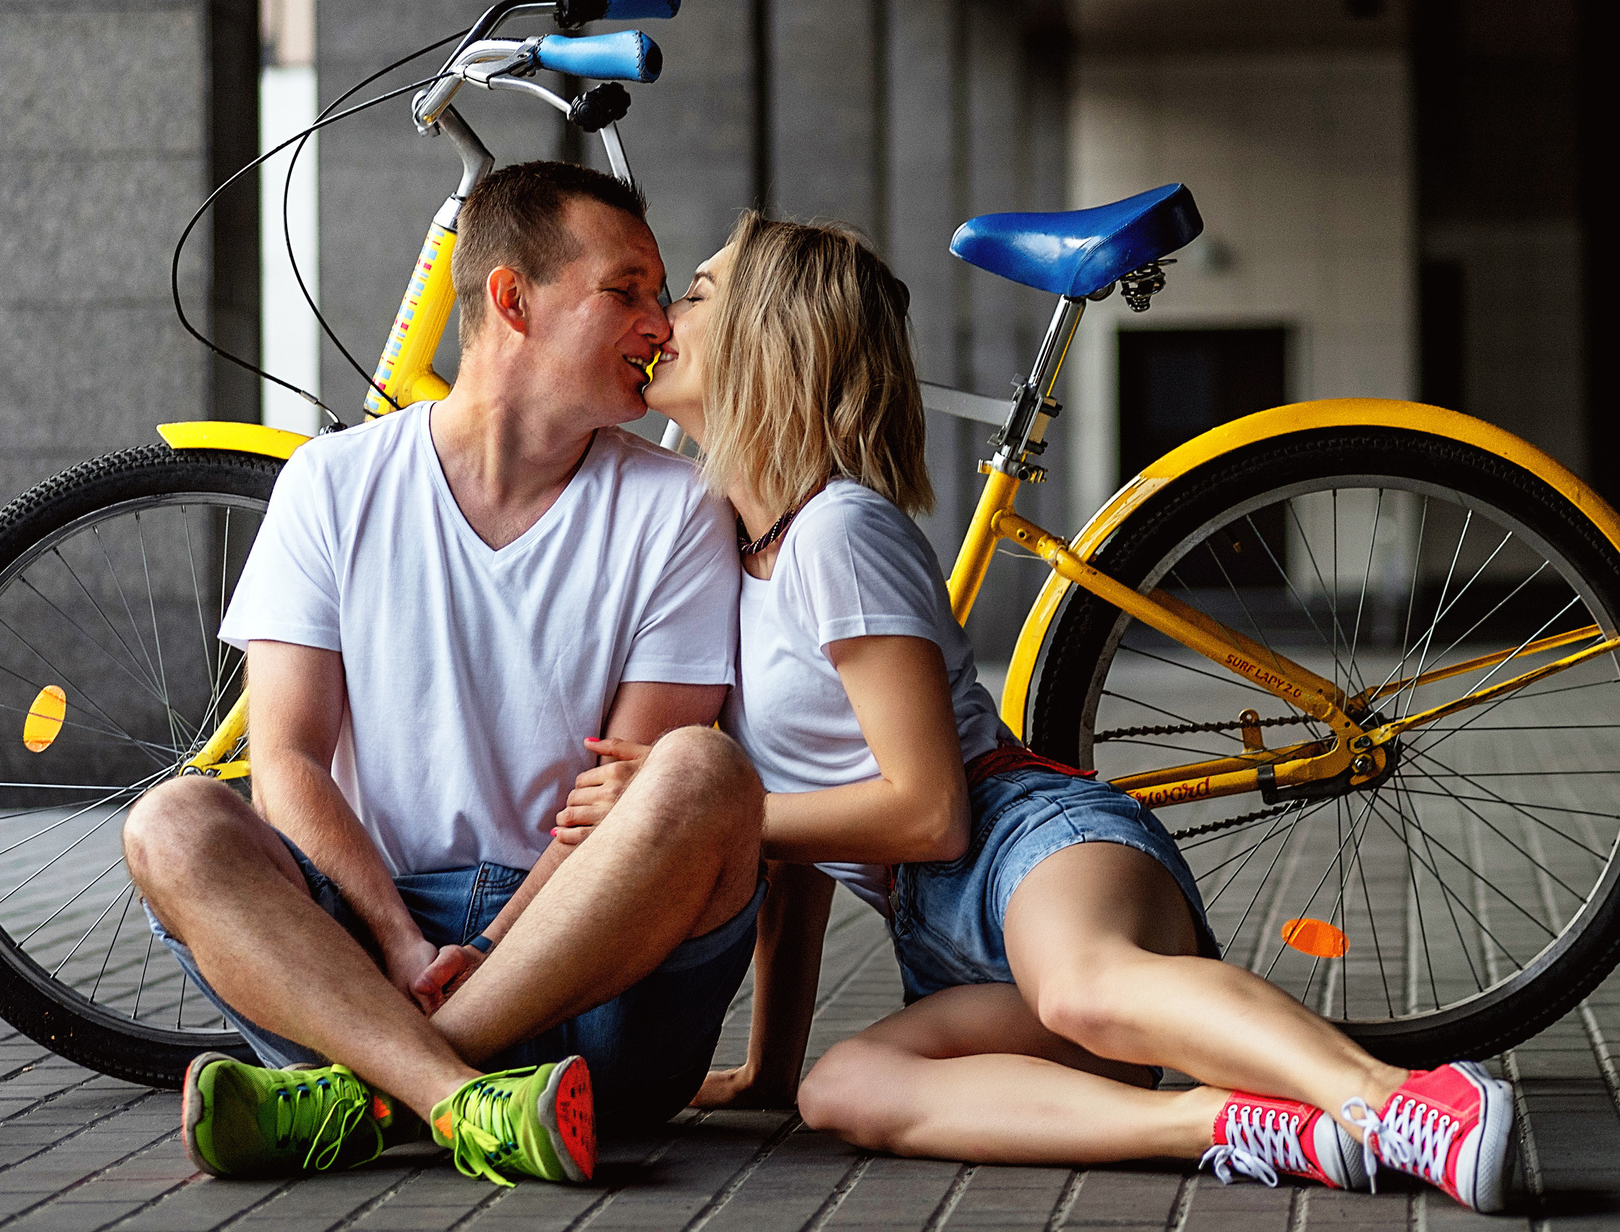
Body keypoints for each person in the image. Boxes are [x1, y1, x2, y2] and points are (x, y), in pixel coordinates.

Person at [569, 210, 1514, 1212]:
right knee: (839, 1088)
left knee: (1081, 985)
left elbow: (929, 809)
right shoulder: (735, 552)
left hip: (1030, 843)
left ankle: (1404, 1100)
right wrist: (768, 1067)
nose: (668, 311)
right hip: (941, 932)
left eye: (698, 291)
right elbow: (794, 858)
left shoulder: (836, 528)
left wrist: (715, 813)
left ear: (772, 336)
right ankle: (1232, 1122)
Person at [122, 162, 765, 1188]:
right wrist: (394, 936)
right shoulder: (332, 483)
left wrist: (496, 948)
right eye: (626, 289)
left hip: (588, 970)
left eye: (661, 294)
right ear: (512, 298)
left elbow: (633, 783)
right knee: (173, 819)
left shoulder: (677, 507)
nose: (661, 323)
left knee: (697, 770)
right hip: (368, 956)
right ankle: (461, 1101)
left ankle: (372, 1094)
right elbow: (285, 757)